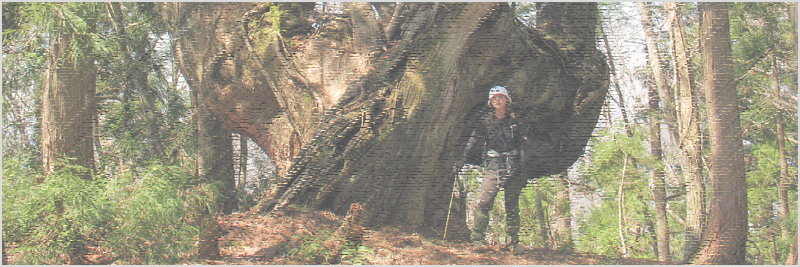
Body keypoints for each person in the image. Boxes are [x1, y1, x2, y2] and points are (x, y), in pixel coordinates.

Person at [456, 85, 527, 251]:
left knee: (512, 206)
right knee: (485, 202)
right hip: (492, 166)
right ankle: (477, 240)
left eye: (501, 97)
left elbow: (522, 145)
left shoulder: (515, 121)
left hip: (512, 165)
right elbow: (473, 139)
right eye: (494, 98)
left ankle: (513, 242)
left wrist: (522, 168)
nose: (498, 100)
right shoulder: (486, 120)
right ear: (490, 102)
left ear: (507, 100)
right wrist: (462, 159)